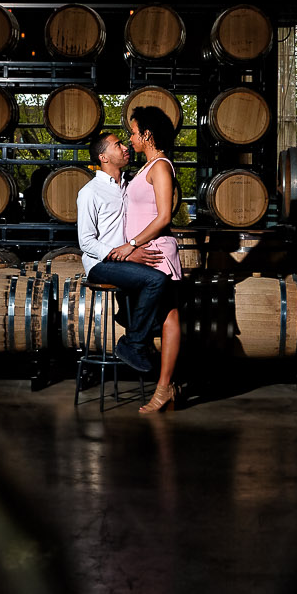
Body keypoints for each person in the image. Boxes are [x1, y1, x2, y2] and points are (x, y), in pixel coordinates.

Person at [76, 129, 167, 382]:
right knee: (155, 281)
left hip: (126, 262)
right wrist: (125, 255)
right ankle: (132, 344)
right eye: (118, 145)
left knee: (163, 280)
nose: (125, 147)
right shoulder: (90, 192)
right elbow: (86, 242)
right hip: (100, 264)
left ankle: (128, 316)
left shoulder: (128, 185)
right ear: (103, 157)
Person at [121, 105, 183, 414]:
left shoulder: (160, 167)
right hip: (144, 253)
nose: (130, 138)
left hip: (155, 251)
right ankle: (165, 387)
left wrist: (132, 244)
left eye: (133, 133)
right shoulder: (147, 166)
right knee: (165, 317)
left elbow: (164, 217)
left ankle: (164, 388)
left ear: (147, 134)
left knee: (169, 318)